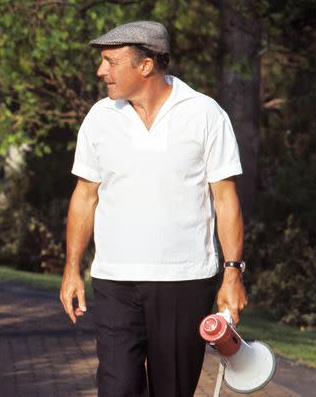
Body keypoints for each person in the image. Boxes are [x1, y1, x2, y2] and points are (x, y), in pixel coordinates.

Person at [60, 21, 247, 397]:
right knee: (117, 388)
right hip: (115, 280)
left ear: (145, 66)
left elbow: (225, 199)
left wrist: (232, 275)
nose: (101, 71)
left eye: (111, 62)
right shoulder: (100, 117)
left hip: (185, 280)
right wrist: (72, 269)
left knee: (172, 390)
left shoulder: (205, 114)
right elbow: (85, 195)